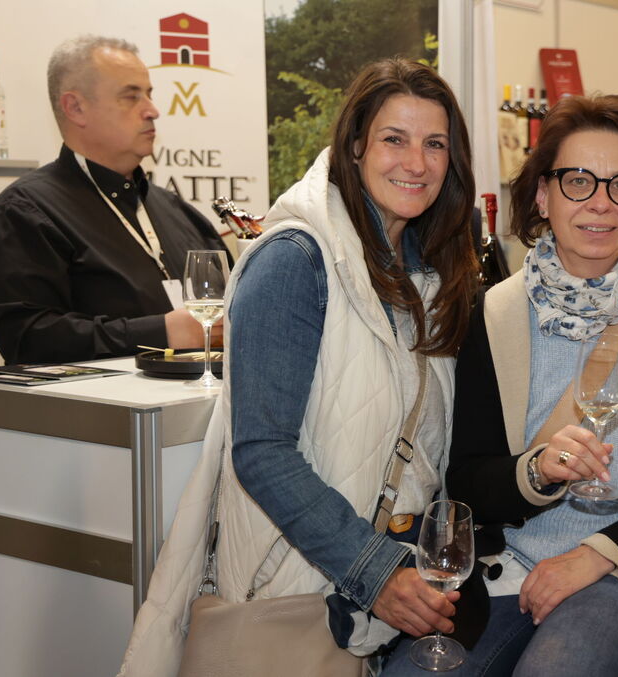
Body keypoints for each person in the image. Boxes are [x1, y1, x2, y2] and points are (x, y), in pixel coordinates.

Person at [118, 58, 479, 676]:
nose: (416, 163)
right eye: (395, 139)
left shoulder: (427, 270)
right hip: (297, 589)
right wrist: (375, 570)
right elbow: (262, 451)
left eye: (435, 144)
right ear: (356, 146)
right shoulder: (295, 260)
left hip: (386, 594)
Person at [383, 94, 618, 677]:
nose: (600, 203)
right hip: (508, 567)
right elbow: (466, 478)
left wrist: (597, 554)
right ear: (542, 195)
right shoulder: (493, 313)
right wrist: (536, 472)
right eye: (578, 181)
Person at [0, 35, 228, 365]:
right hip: (95, 401)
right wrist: (161, 333)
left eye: (149, 94)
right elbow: (28, 338)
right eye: (131, 97)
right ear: (76, 108)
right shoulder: (23, 212)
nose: (153, 110)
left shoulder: (176, 209)